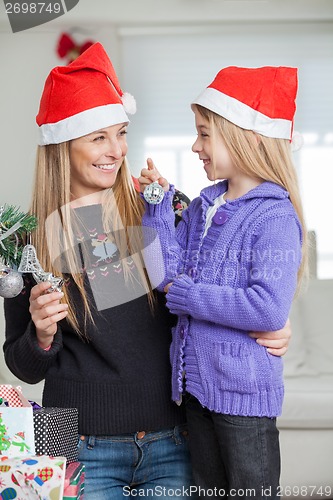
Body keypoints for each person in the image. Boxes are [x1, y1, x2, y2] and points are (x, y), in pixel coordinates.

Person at [3, 44, 291, 499]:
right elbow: (22, 367)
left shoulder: (162, 208)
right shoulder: (24, 240)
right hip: (70, 438)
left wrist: (272, 321)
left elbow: (214, 289)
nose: (116, 150)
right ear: (63, 143)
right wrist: (39, 335)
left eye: (121, 133)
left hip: (171, 435)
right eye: (98, 137)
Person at [139, 66, 307, 498]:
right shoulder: (201, 206)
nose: (195, 146)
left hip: (243, 400)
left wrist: (189, 296)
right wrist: (157, 209)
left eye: (205, 134)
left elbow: (268, 308)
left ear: (248, 137)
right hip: (197, 394)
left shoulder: (273, 216)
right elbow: (163, 276)